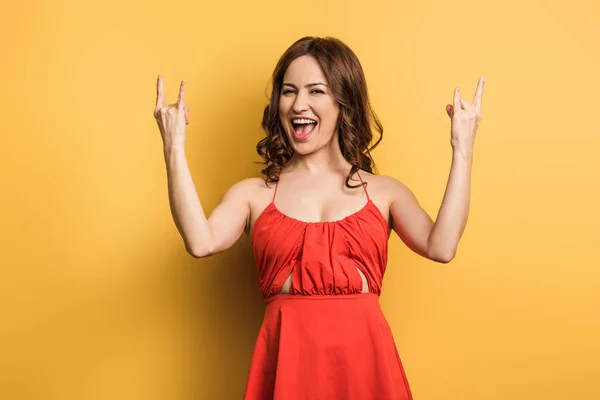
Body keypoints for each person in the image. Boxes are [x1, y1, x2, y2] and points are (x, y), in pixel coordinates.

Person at [154, 36, 484, 400]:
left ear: (344, 103)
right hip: (289, 365)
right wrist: (174, 147)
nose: (298, 104)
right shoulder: (254, 194)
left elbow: (443, 245)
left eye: (315, 91)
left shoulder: (385, 192)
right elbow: (200, 242)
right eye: (289, 91)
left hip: (366, 368)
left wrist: (462, 149)